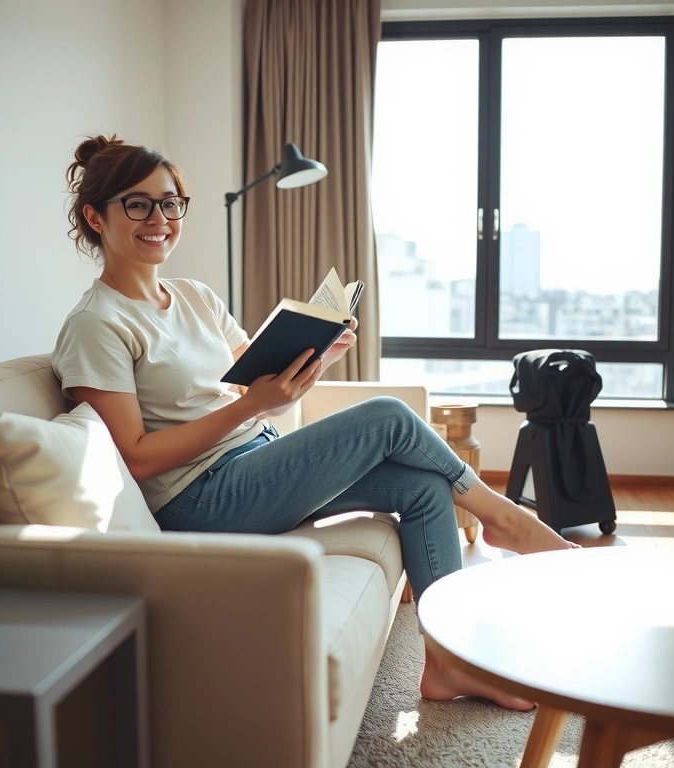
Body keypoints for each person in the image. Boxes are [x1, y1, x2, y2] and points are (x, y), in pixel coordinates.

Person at [52, 134, 579, 711]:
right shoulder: (96, 324)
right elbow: (136, 456)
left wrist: (315, 360)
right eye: (138, 203)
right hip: (196, 500)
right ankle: (505, 519)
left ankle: (449, 667)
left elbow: (259, 390)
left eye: (170, 202)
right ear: (94, 218)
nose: (159, 218)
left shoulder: (194, 296)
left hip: (256, 458)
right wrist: (251, 405)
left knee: (425, 488)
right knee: (387, 415)